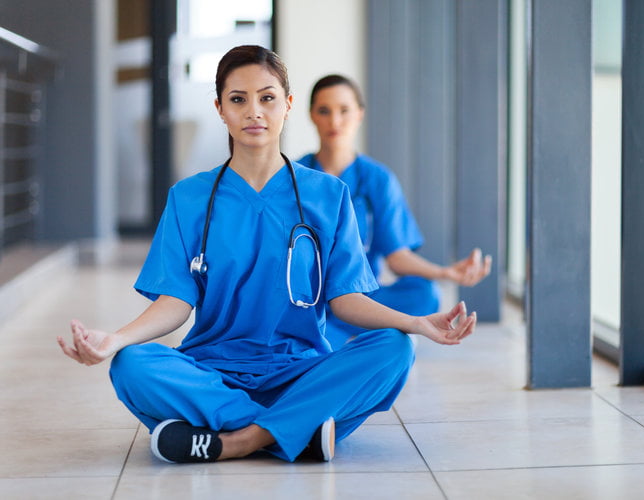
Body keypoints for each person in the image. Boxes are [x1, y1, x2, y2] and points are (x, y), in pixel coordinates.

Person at [56, 46, 476, 465]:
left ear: (288, 105)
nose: (254, 111)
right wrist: (114, 340)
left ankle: (234, 440)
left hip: (299, 371)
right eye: (238, 99)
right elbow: (175, 302)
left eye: (267, 97)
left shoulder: (329, 196)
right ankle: (298, 431)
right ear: (220, 108)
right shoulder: (188, 199)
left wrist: (417, 324)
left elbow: (346, 299)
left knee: (393, 349)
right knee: (131, 364)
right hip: (214, 372)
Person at [298, 74, 492, 349]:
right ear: (311, 116)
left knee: (424, 294)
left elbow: (397, 257)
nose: (335, 121)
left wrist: (446, 273)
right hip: (310, 299)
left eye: (344, 110)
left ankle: (348, 325)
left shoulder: (378, 178)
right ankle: (361, 328)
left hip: (363, 298)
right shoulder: (295, 178)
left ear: (360, 114)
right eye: (324, 111)